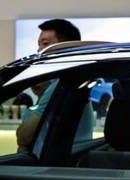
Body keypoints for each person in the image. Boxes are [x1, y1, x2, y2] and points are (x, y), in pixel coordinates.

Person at [18, 19, 91, 152]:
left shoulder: (60, 86)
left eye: (45, 44)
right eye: (39, 44)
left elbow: (24, 137)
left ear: (67, 47)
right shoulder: (69, 81)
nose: (39, 49)